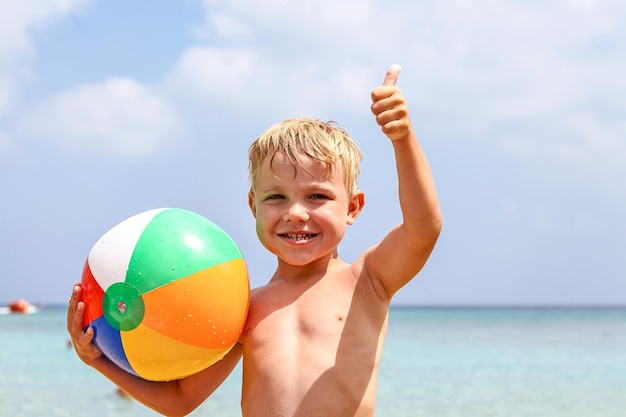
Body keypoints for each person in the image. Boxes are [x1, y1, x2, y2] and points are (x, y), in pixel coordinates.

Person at [67, 64, 442, 417]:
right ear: (253, 206)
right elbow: (179, 401)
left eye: (317, 196)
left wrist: (402, 137)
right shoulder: (241, 309)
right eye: (276, 197)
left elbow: (424, 227)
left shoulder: (368, 281)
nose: (295, 212)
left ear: (353, 208)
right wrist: (98, 360)